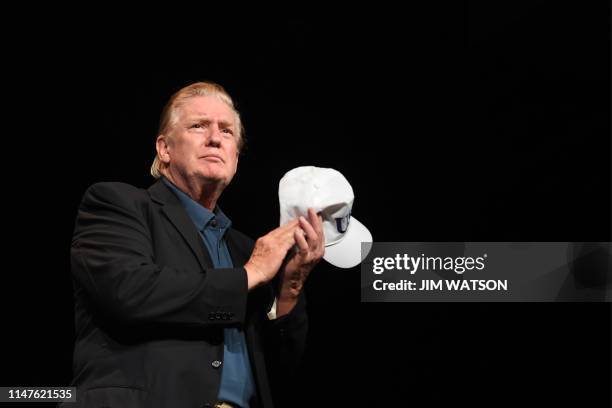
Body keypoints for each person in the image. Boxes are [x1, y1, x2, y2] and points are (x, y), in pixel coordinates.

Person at [63, 82, 324, 408]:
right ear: (164, 149)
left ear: (236, 158)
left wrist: (291, 288)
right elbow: (129, 292)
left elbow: (279, 370)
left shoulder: (244, 249)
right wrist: (249, 274)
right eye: (198, 126)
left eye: (227, 131)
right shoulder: (118, 204)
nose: (215, 137)